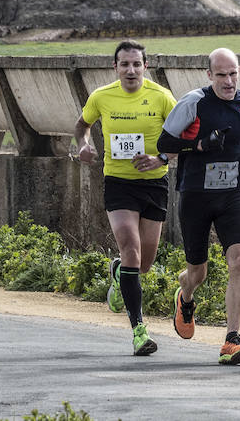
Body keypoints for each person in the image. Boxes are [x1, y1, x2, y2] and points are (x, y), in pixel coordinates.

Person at [156, 48, 240, 365]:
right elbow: (164, 144)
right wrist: (200, 145)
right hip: (194, 195)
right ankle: (185, 294)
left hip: (231, 195)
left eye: (233, 73)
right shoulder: (194, 102)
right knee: (198, 272)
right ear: (209, 75)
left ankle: (231, 340)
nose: (229, 81)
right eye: (221, 74)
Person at [74, 40, 177, 356]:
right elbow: (82, 126)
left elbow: (181, 140)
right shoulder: (101, 97)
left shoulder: (162, 97)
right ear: (115, 67)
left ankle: (120, 272)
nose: (130, 70)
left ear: (146, 66)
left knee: (142, 264)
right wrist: (83, 145)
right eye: (124, 64)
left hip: (155, 186)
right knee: (130, 248)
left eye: (136, 64)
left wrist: (160, 159)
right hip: (118, 183)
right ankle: (139, 331)